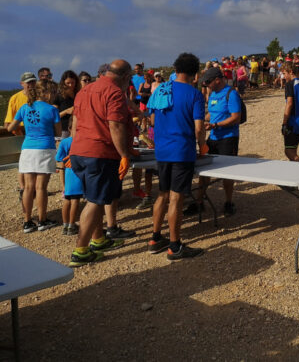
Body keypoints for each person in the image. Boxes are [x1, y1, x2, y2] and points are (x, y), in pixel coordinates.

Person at [67, 59, 135, 266]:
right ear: (124, 77)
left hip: (80, 151)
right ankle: (80, 251)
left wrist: (72, 149)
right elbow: (115, 125)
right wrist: (124, 154)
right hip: (100, 152)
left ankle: (98, 240)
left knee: (92, 197)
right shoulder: (114, 92)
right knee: (96, 201)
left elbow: (76, 123)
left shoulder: (84, 91)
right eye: (129, 79)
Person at [148, 52, 206, 260]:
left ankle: (155, 238)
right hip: (182, 151)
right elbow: (199, 128)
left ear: (175, 69)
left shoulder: (161, 89)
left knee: (162, 194)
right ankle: (175, 245)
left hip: (162, 150)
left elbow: (152, 121)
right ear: (194, 73)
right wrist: (203, 146)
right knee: (176, 198)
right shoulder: (194, 94)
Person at [185, 67, 242, 217]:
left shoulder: (231, 94)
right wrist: (203, 120)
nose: (207, 86)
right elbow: (213, 112)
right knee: (204, 168)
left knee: (228, 172)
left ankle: (229, 202)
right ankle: (199, 202)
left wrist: (216, 125)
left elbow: (236, 117)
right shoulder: (212, 94)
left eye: (209, 83)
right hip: (214, 137)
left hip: (228, 138)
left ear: (218, 79)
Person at [8, 79, 61, 232]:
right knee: (41, 187)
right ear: (46, 93)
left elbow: (12, 127)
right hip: (45, 148)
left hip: (27, 148)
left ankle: (27, 222)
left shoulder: (25, 107)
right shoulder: (52, 110)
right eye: (53, 92)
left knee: (28, 187)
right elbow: (58, 133)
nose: (54, 95)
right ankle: (43, 220)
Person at [4, 72, 37, 206]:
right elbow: (8, 123)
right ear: (21, 83)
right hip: (21, 135)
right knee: (23, 165)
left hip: (37, 136)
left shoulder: (40, 98)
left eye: (33, 81)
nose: (31, 85)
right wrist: (18, 135)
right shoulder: (15, 98)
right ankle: (24, 189)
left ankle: (35, 189)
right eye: (28, 82)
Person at [56, 121, 83, 235]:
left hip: (68, 173)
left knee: (67, 199)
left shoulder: (64, 142)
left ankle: (65, 225)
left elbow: (59, 159)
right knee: (75, 200)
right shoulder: (82, 142)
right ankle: (72, 225)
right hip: (78, 173)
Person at [56, 70, 80, 139]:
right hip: (64, 129)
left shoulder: (79, 94)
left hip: (78, 128)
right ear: (63, 83)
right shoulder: (59, 96)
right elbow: (53, 115)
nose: (70, 85)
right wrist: (66, 111)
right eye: (68, 83)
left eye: (72, 83)